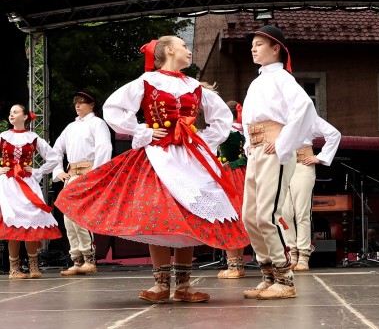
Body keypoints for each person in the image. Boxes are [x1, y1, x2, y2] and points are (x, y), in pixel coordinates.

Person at [55, 36, 249, 304]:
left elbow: (222, 119)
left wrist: (203, 140)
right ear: (169, 50)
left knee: (190, 214)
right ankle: (161, 284)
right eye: (184, 46)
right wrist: (141, 129)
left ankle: (183, 285)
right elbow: (114, 108)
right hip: (158, 155)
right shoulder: (146, 82)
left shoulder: (195, 86)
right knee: (158, 214)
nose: (189, 50)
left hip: (190, 157)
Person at [241, 25, 316, 300]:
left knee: (267, 215)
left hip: (274, 151)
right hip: (257, 150)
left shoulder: (283, 78)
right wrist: (249, 143)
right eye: (253, 44)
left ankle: (285, 277)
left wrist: (284, 141)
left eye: (259, 44)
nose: (253, 48)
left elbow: (305, 107)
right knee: (250, 215)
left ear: (276, 49)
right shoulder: (257, 81)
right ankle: (268, 273)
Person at [50, 91, 113, 276]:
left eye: (82, 102)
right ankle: (77, 259)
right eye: (75, 102)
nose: (77, 105)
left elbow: (104, 148)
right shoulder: (71, 127)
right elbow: (56, 150)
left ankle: (89, 258)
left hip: (88, 173)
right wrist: (58, 171)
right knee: (68, 219)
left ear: (92, 104)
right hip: (71, 175)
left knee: (80, 216)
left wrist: (97, 176)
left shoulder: (97, 123)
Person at [0, 104, 61, 279]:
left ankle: (34, 266)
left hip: (27, 183)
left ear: (25, 117)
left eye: (16, 112)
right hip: (9, 184)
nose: (12, 114)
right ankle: (14, 268)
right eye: (11, 112)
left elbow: (54, 157)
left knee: (32, 221)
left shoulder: (33, 138)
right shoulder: (3, 137)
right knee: (13, 222)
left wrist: (37, 171)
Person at [282, 115, 341, 272]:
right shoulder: (275, 115)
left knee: (302, 212)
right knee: (284, 212)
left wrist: (320, 158)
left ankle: (303, 255)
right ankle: (291, 253)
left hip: (302, 164)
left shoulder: (306, 115)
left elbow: (334, 134)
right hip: (281, 165)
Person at [217, 100, 249, 279]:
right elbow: (246, 156)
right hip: (243, 175)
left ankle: (233, 267)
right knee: (240, 217)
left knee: (228, 217)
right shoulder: (243, 130)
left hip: (228, 175)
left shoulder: (224, 131)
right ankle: (238, 264)